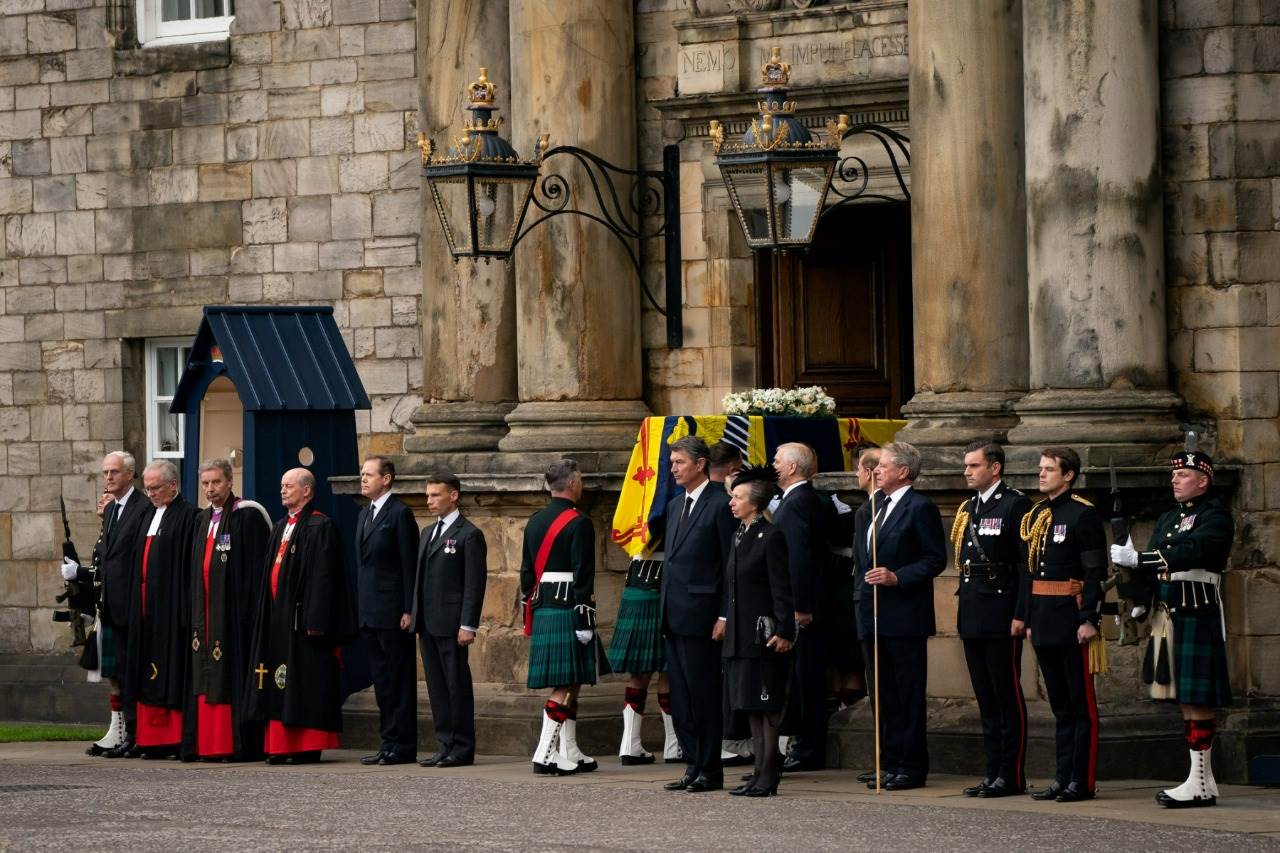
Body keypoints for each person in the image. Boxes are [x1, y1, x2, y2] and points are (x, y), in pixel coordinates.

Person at [1110, 445, 1233, 808]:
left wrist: (1140, 558)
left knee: (1198, 698)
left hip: (1197, 611)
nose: (1174, 480)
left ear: (1203, 480)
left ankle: (1199, 782)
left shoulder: (1216, 516)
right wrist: (1139, 600)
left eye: (1183, 475)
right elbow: (1154, 570)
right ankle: (1202, 780)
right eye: (1174, 474)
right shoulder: (1168, 518)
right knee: (1183, 697)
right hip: (1169, 614)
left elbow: (1192, 551)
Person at [245, 468, 357, 765]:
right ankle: (280, 745)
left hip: (304, 623)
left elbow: (324, 578)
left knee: (304, 684)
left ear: (306, 490)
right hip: (277, 619)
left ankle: (306, 746)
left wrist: (315, 620)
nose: (282, 491)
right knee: (279, 682)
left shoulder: (321, 526)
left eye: (289, 486)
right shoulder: (280, 526)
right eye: (281, 485)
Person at [853, 441, 946, 791]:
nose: (877, 470)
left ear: (903, 471)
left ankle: (911, 765)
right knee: (883, 694)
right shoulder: (875, 505)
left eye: (884, 465)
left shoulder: (919, 507)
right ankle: (889, 761)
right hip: (873, 614)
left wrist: (898, 577)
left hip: (904, 615)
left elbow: (934, 559)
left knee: (906, 695)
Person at [1020, 447, 1106, 802]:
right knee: (1060, 706)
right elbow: (1030, 571)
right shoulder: (1038, 514)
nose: (1041, 474)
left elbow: (1094, 571)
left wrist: (1089, 618)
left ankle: (1081, 780)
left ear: (1068, 475)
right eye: (1041, 468)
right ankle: (1062, 776)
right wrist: (1028, 617)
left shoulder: (1082, 514)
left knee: (1079, 704)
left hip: (1071, 618)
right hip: (1044, 618)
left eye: (1049, 469)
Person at [953, 441, 1031, 798]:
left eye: (974, 465)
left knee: (1006, 695)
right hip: (973, 609)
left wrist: (1020, 613)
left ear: (995, 468)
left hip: (1001, 611)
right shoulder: (969, 507)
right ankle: (992, 771)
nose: (967, 472)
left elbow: (1025, 566)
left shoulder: (1014, 504)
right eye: (966, 466)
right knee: (985, 697)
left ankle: (1011, 774)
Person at [661, 436, 737, 793]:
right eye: (672, 462)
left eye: (679, 462)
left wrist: (724, 615)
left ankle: (710, 768)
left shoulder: (721, 504)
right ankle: (692, 763)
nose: (673, 468)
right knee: (682, 698)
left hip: (703, 617)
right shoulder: (676, 505)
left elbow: (729, 565)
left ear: (700, 464)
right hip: (673, 615)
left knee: (704, 695)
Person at [185, 459, 272, 762]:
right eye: (205, 483)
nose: (210, 489)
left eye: (216, 482)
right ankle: (205, 744)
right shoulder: (201, 520)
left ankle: (232, 745)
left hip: (233, 617)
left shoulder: (246, 516)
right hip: (204, 613)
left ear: (230, 481)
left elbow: (256, 571)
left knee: (229, 673)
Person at [521, 459, 604, 775]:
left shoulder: (534, 521)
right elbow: (583, 575)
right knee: (566, 684)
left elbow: (526, 573)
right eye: (580, 480)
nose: (581, 485)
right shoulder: (579, 522)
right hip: (569, 607)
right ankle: (545, 754)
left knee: (573, 683)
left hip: (543, 606)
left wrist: (530, 609)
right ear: (571, 483)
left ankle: (569, 749)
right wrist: (585, 618)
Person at [63, 451, 148, 757]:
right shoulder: (112, 510)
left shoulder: (143, 508)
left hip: (132, 607)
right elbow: (106, 562)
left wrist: (81, 573)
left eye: (114, 472)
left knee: (130, 674)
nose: (108, 477)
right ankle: (125, 735)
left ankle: (135, 735)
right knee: (117, 675)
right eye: (105, 472)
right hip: (110, 606)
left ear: (130, 475)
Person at [721, 467, 795, 797]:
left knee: (767, 705)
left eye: (738, 497)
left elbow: (782, 587)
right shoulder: (739, 534)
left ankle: (769, 774)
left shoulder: (771, 535)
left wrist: (786, 630)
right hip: (740, 635)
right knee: (750, 703)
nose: (732, 502)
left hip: (763, 634)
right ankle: (757, 773)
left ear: (754, 503)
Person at [122, 460, 200, 760]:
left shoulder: (189, 516)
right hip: (144, 609)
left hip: (171, 611)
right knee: (145, 671)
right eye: (147, 489)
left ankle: (172, 740)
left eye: (155, 488)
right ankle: (147, 739)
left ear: (173, 485)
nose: (151, 493)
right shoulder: (147, 515)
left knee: (170, 672)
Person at [409, 471, 487, 768]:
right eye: (427, 495)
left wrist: (468, 624)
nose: (429, 501)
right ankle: (444, 744)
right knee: (437, 687)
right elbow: (420, 578)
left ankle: (462, 747)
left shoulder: (469, 534)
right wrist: (414, 614)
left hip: (452, 623)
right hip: (428, 622)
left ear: (453, 496)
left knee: (456, 686)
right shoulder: (428, 532)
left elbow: (473, 583)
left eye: (435, 495)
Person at [355, 456, 420, 767]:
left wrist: (409, 608)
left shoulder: (399, 513)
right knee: (382, 681)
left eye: (369, 474)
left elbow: (409, 565)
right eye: (362, 474)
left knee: (399, 680)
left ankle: (404, 745)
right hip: (370, 611)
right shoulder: (364, 514)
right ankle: (388, 741)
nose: (363, 479)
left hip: (394, 611)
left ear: (387, 479)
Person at [771, 442, 832, 772]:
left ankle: (808, 748)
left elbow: (799, 557)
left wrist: (800, 605)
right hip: (803, 603)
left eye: (778, 460)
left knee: (806, 679)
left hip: (803, 608)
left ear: (793, 467)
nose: (773, 464)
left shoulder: (798, 501)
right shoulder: (798, 499)